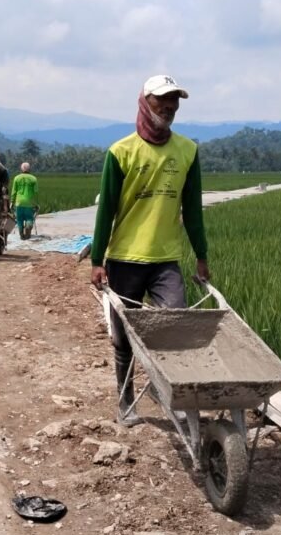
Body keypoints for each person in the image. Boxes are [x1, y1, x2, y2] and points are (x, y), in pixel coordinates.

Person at [90, 75, 210, 426]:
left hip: (165, 260)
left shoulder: (187, 151)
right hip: (125, 258)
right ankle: (126, 401)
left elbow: (194, 211)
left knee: (175, 327)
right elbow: (106, 210)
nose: (169, 109)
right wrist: (98, 260)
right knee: (123, 336)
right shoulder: (121, 151)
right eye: (162, 102)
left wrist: (201, 255)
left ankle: (166, 389)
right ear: (145, 103)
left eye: (174, 103)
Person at [10, 162, 39, 239]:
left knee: (19, 219)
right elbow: (36, 192)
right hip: (29, 203)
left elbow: (14, 191)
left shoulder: (16, 178)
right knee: (29, 218)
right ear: (29, 169)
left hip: (18, 202)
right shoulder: (33, 179)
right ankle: (28, 228)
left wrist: (12, 202)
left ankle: (21, 234)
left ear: (21, 169)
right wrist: (36, 204)